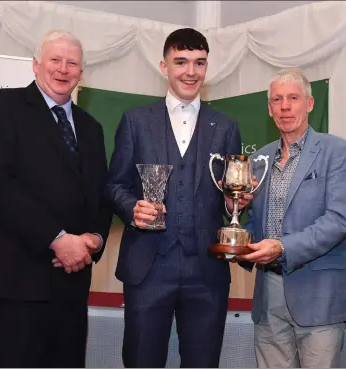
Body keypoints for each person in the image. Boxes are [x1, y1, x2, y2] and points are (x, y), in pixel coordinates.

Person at [105, 28, 250, 368]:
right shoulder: (135, 121)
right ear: (164, 65)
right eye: (181, 62)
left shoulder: (226, 126)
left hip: (207, 271)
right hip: (148, 267)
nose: (191, 71)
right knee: (142, 361)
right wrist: (132, 207)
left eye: (199, 63)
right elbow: (113, 186)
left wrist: (235, 204)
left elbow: (232, 193)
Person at [0, 30, 113, 367]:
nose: (63, 69)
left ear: (81, 73)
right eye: (55, 60)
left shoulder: (91, 127)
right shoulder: (1, 106)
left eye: (72, 63)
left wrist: (93, 239)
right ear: (36, 65)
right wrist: (57, 239)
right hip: (14, 285)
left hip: (70, 288)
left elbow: (99, 195)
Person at [236, 67, 346, 368]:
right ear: (269, 108)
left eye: (293, 98)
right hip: (269, 296)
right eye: (277, 99)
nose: (285, 106)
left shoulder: (337, 151)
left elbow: (337, 220)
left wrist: (283, 247)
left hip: (319, 296)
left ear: (310, 103)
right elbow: (252, 224)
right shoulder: (259, 159)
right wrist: (234, 213)